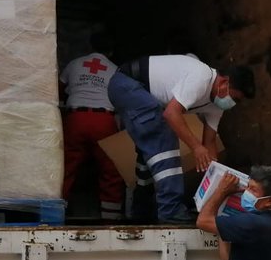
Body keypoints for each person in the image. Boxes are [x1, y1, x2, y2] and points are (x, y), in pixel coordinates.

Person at [108, 55, 255, 224]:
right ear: (224, 83)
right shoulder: (202, 78)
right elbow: (171, 113)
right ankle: (171, 212)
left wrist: (215, 177)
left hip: (138, 91)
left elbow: (209, 142)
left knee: (151, 150)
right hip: (126, 84)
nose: (232, 104)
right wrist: (196, 148)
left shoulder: (216, 105)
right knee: (164, 137)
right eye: (234, 98)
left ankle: (142, 210)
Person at [59, 52, 124, 221]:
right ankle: (110, 219)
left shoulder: (75, 63)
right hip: (104, 121)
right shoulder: (115, 69)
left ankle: (57, 213)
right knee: (110, 169)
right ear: (111, 51)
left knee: (65, 168)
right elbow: (122, 98)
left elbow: (57, 91)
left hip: (76, 119)